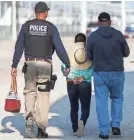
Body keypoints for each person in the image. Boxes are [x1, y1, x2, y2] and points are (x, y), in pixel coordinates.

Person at [11, 1, 70, 138]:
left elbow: (19, 47)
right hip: (45, 65)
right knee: (43, 96)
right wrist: (67, 64)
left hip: (30, 65)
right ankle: (41, 129)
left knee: (30, 93)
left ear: (35, 12)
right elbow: (60, 48)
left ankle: (29, 120)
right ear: (46, 12)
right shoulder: (51, 28)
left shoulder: (26, 26)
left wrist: (14, 65)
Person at [86, 12, 130, 139]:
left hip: (100, 74)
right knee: (117, 98)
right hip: (117, 72)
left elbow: (88, 56)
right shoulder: (118, 35)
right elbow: (126, 53)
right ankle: (115, 126)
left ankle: (104, 132)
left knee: (101, 102)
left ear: (99, 22)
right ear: (110, 22)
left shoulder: (92, 36)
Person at [62, 33, 93, 137]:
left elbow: (64, 69)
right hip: (85, 82)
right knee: (85, 108)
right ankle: (82, 122)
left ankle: (75, 128)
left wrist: (71, 77)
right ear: (85, 42)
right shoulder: (89, 53)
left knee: (74, 107)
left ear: (75, 42)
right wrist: (83, 77)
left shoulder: (70, 53)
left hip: (71, 82)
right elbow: (93, 69)